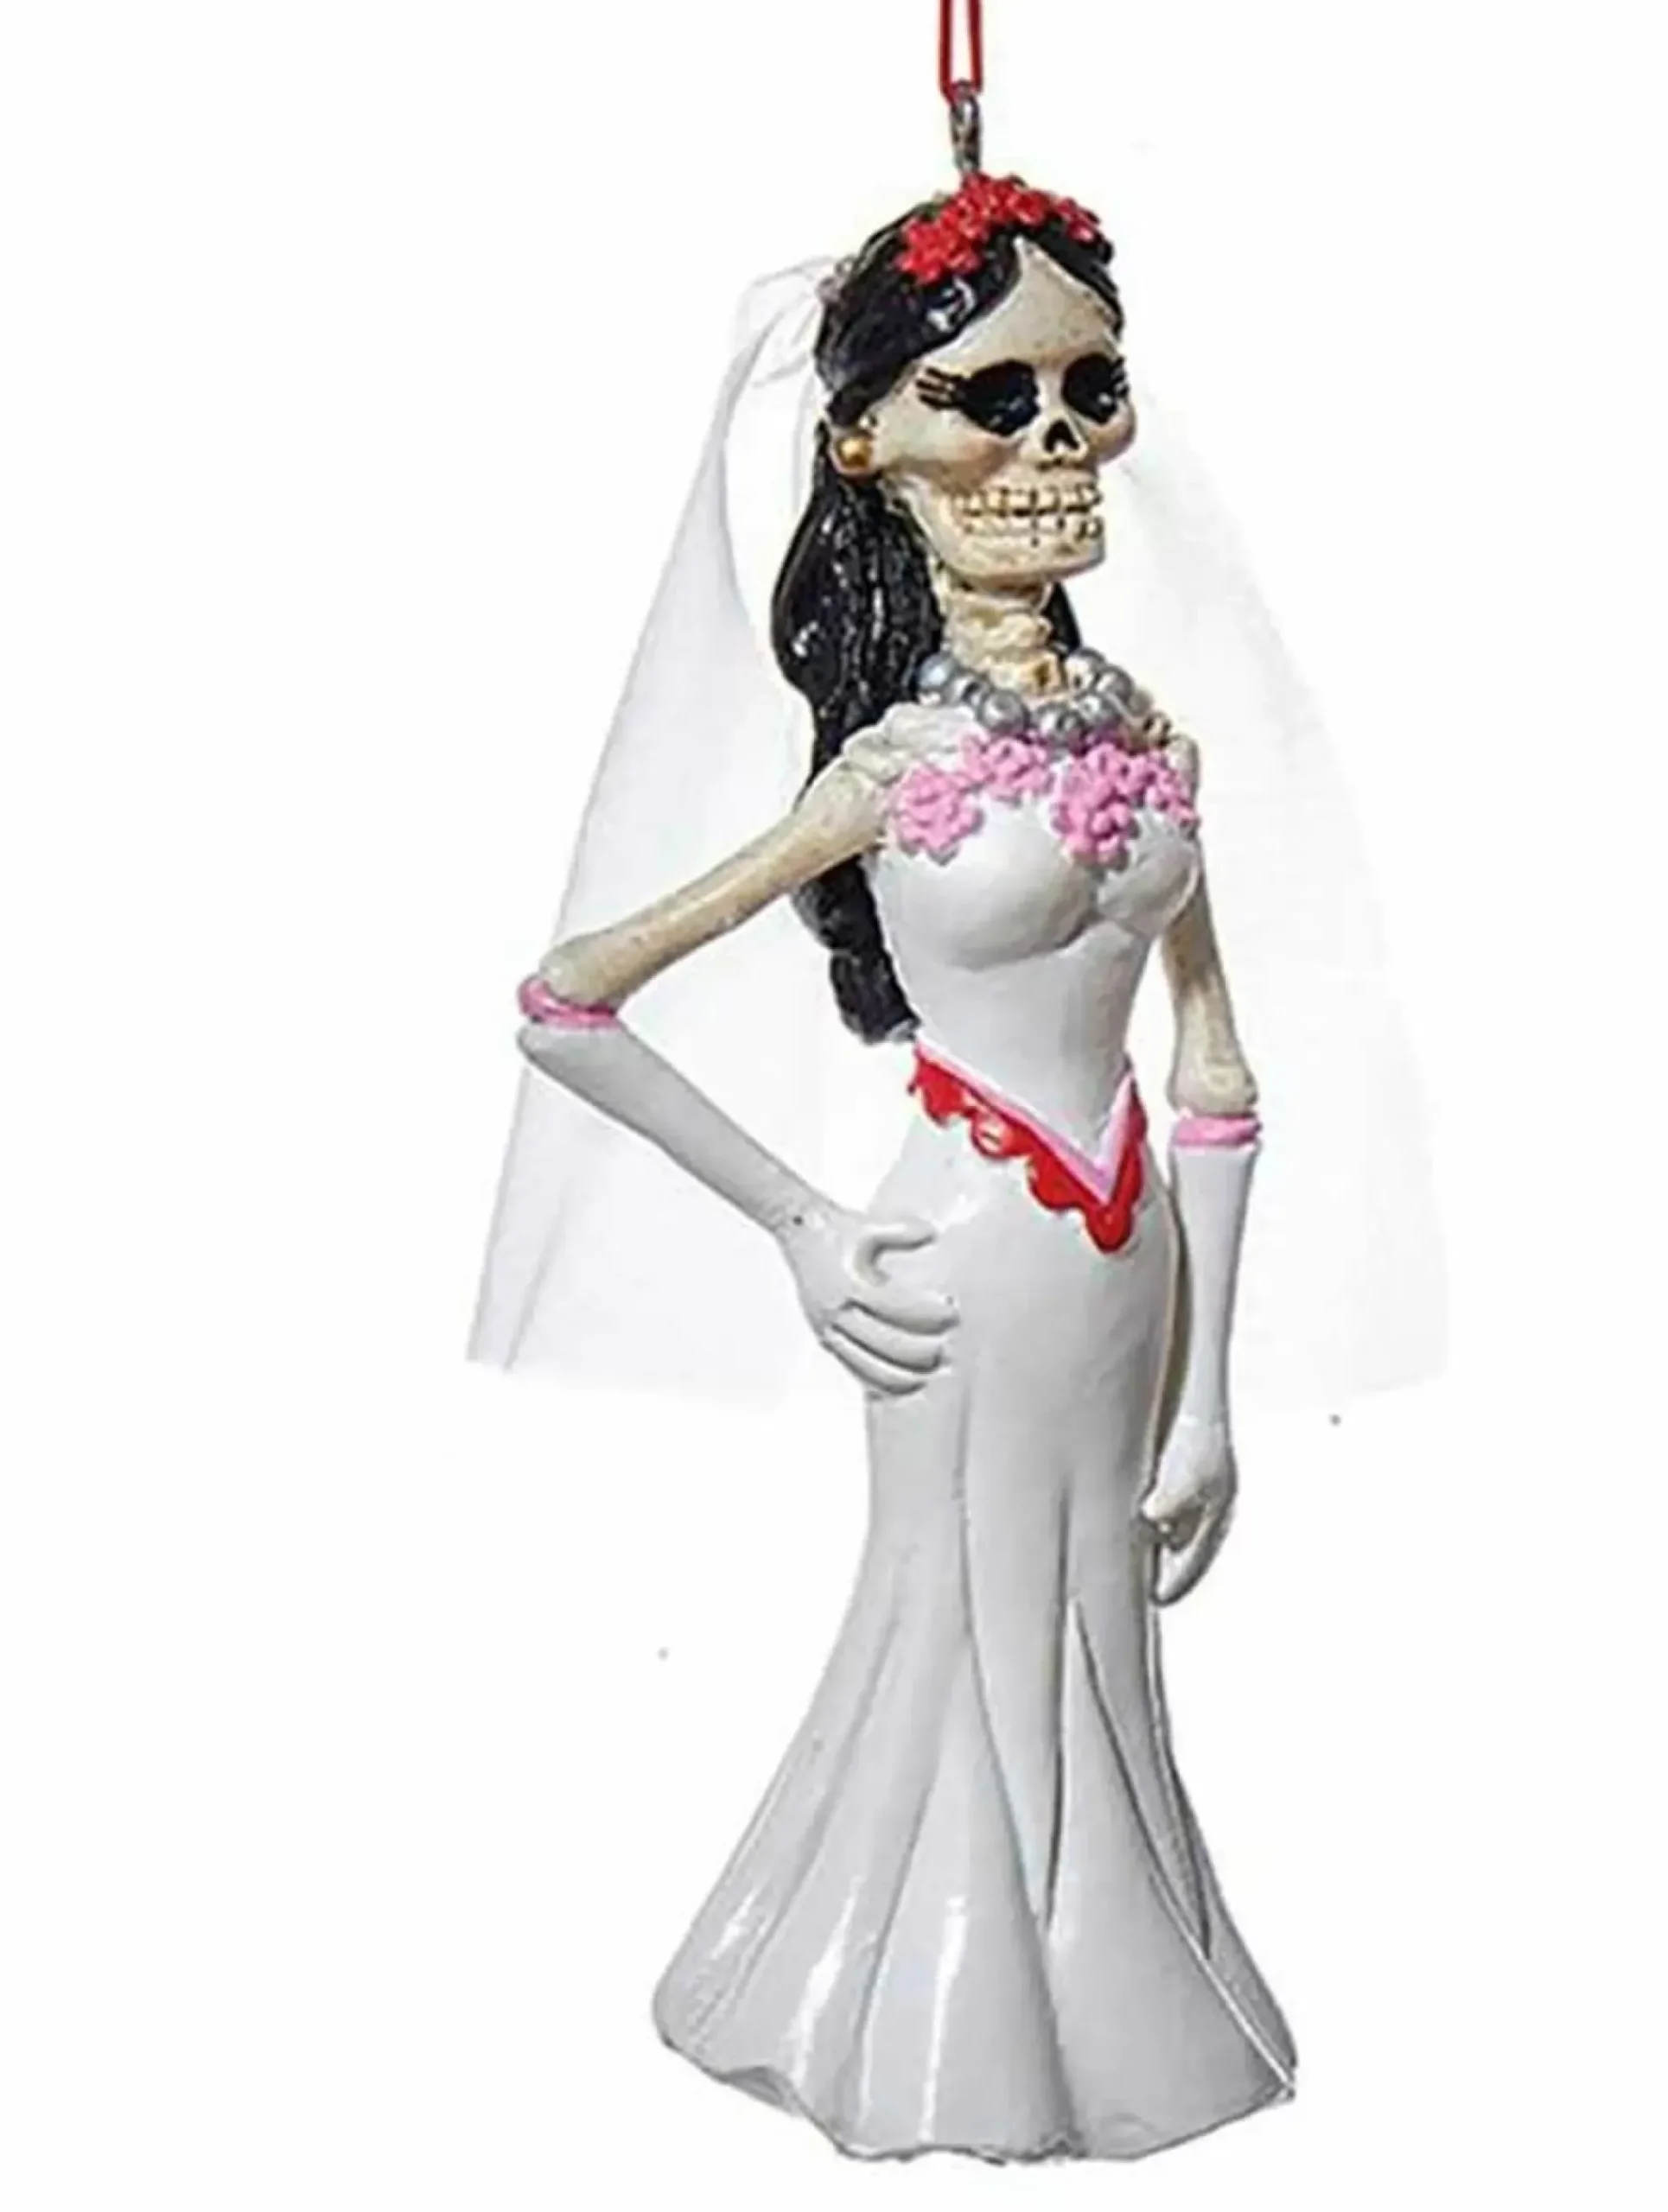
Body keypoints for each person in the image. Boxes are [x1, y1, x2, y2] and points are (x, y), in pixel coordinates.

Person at [510, 176, 1302, 2162]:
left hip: (1120, 1259)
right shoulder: (884, 772)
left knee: (1100, 1616)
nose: (1052, 445)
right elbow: (570, 1000)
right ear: (866, 440)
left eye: (1088, 391)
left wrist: (1211, 1395)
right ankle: (926, 1988)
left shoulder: (1147, 741)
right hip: (952, 1255)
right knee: (955, 1599)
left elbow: (1211, 1069)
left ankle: (1110, 1974)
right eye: (988, 398)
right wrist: (797, 1220)